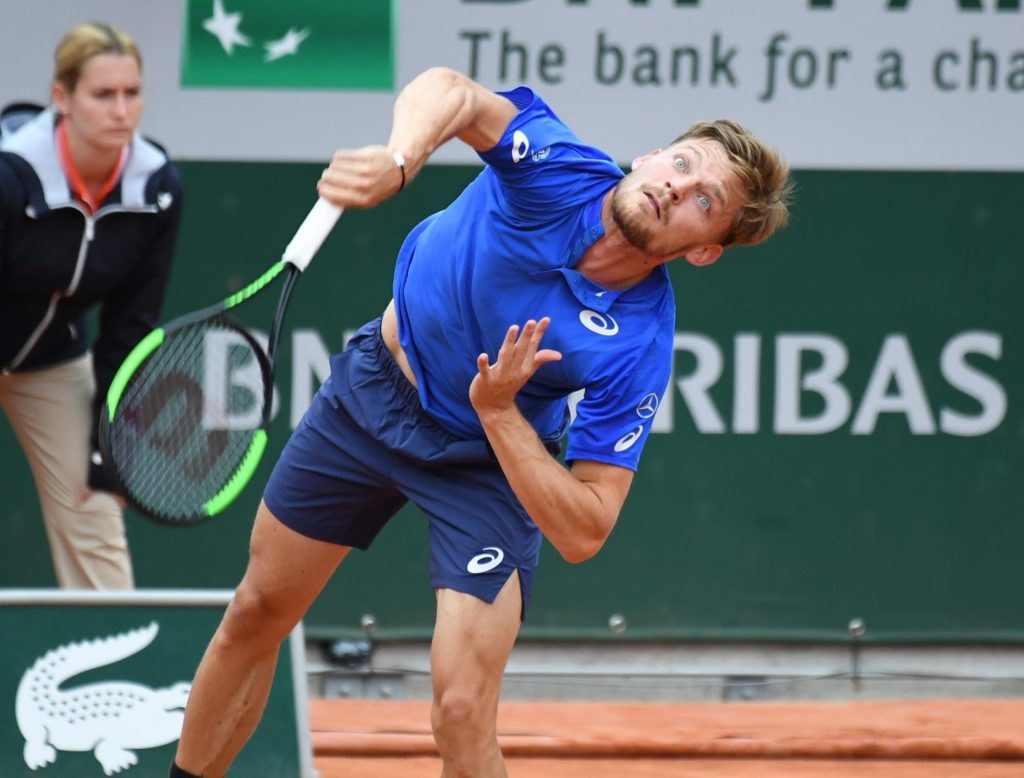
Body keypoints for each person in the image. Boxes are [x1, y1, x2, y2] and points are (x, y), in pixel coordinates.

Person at [169, 66, 791, 778]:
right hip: (373, 395)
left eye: (704, 200)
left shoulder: (639, 341)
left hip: (488, 461)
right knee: (256, 611)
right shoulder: (557, 168)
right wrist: (400, 160)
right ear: (651, 157)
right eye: (681, 163)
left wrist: (498, 415)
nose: (677, 187)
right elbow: (453, 92)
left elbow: (586, 529)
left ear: (704, 248)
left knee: (462, 712)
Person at [0, 22, 184, 589]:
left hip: (50, 360)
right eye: (103, 95)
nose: (120, 111)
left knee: (95, 510)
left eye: (131, 93)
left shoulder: (157, 189)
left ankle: (116, 646)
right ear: (62, 98)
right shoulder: (9, 177)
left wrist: (110, 447)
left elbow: (130, 326)